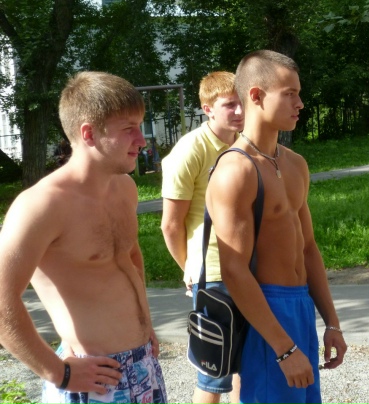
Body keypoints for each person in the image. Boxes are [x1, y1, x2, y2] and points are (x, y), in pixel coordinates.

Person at [0, 71, 167, 403]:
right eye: (129, 129)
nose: (142, 140)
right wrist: (57, 372)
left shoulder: (125, 189)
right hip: (93, 378)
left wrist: (145, 324)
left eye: (140, 126)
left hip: (143, 364)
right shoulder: (42, 205)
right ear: (89, 133)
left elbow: (130, 256)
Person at [206, 50, 347, 404]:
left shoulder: (295, 164)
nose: (300, 104)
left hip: (300, 304)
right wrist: (283, 348)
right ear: (256, 95)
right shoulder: (235, 171)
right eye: (290, 94)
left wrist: (331, 322)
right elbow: (234, 270)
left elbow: (309, 247)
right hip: (264, 311)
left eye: (299, 93)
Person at [161, 71, 244, 404]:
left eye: (242, 103)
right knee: (214, 370)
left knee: (246, 364)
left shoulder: (245, 144)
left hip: (250, 268)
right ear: (207, 109)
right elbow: (171, 224)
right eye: (229, 105)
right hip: (213, 274)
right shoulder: (190, 149)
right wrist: (189, 268)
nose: (239, 111)